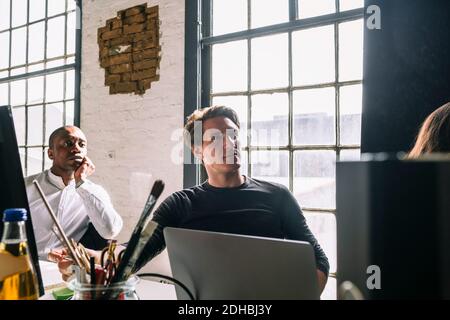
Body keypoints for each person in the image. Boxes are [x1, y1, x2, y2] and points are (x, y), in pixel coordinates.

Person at [54, 106, 329, 293]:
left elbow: (319, 262)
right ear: (197, 152)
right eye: (215, 139)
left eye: (233, 135)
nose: (229, 144)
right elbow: (133, 254)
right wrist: (85, 257)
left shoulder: (277, 197)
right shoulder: (181, 204)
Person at [25, 126, 123, 259]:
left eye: (82, 145)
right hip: (24, 266)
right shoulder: (25, 186)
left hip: (65, 270)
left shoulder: (93, 192)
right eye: (68, 143)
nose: (77, 148)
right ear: (50, 153)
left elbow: (110, 231)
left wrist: (81, 182)